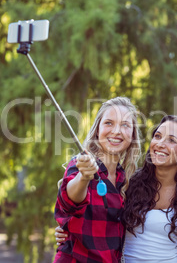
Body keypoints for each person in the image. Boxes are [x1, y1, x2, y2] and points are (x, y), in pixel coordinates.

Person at [53, 97, 141, 263]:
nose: (116, 131)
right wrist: (84, 177)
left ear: (133, 135)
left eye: (125, 125)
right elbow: (69, 201)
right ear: (97, 130)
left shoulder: (128, 179)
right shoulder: (80, 164)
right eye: (109, 123)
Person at [121, 115, 177, 262]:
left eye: (171, 140)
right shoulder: (129, 183)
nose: (160, 144)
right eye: (158, 136)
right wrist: (65, 225)